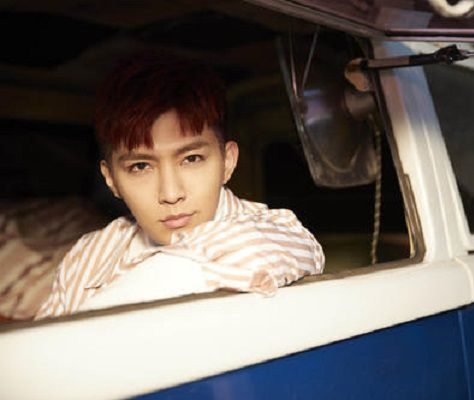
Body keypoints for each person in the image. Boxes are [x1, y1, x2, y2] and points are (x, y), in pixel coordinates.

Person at [35, 52, 324, 319]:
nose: (171, 194)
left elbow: (284, 247)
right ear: (111, 179)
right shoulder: (85, 257)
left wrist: (105, 310)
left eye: (192, 158)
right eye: (141, 166)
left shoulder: (277, 234)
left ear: (227, 162)